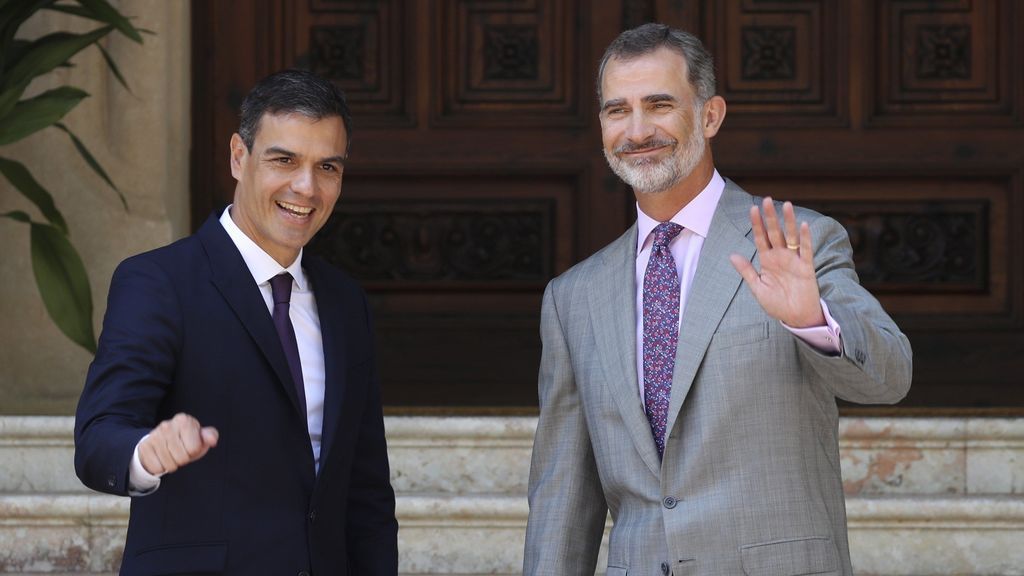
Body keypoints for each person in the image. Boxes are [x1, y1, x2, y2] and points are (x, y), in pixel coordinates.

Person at [523, 23, 911, 576]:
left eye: (659, 105)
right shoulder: (573, 298)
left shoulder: (797, 242)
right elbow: (562, 493)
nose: (637, 130)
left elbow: (890, 378)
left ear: (710, 115)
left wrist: (812, 321)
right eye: (617, 110)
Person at [75, 69, 398, 575]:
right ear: (238, 156)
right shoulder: (159, 281)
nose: (306, 187)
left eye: (327, 167)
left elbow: (367, 490)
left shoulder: (345, 303)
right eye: (284, 160)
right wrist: (146, 451)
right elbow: (98, 438)